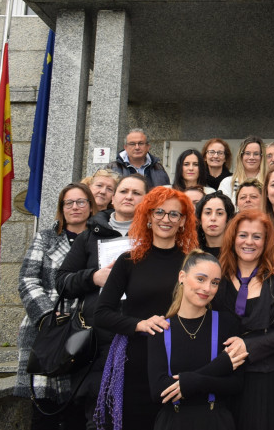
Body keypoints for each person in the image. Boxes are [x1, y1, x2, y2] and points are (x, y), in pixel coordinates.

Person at [93, 187, 199, 430]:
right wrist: (138, 324)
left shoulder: (193, 262)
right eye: (159, 212)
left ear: (183, 221)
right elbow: (102, 314)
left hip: (182, 361)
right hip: (138, 360)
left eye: (174, 214)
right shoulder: (128, 261)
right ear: (148, 216)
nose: (166, 219)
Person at [56, 173, 149, 427]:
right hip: (98, 340)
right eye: (124, 191)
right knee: (99, 414)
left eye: (136, 193)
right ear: (113, 197)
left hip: (140, 335)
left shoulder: (154, 237)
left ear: (146, 201)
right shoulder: (90, 235)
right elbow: (62, 281)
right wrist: (93, 277)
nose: (129, 196)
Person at [15, 183, 97, 430]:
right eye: (68, 202)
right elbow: (27, 279)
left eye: (81, 201)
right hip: (49, 330)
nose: (75, 207)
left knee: (79, 407)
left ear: (91, 206)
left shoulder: (100, 239)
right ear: (62, 208)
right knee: (46, 410)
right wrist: (46, 315)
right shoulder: (46, 238)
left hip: (86, 332)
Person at [214, 210, 274, 430]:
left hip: (269, 380)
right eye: (243, 235)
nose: (249, 242)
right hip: (224, 378)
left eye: (257, 236)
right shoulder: (217, 276)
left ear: (266, 241)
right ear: (232, 238)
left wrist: (248, 346)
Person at [147, 250, 246, 430]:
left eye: (214, 283)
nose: (207, 288)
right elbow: (159, 392)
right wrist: (220, 366)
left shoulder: (227, 323)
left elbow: (236, 384)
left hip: (216, 421)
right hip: (173, 422)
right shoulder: (161, 329)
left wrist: (194, 381)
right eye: (201, 279)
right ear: (182, 277)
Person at [220, 136, 266, 203]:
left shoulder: (269, 182)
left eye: (256, 154)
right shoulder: (227, 183)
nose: (251, 157)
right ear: (241, 156)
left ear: (262, 157)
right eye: (247, 153)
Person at [196, 191, 236, 258]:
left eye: (220, 213)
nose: (213, 218)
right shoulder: (192, 254)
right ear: (199, 219)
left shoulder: (238, 253)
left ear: (228, 219)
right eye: (208, 213)